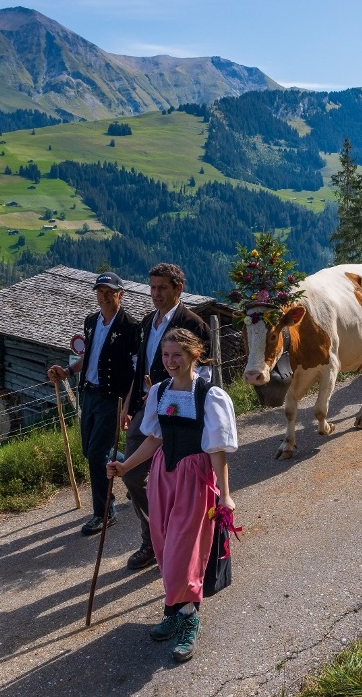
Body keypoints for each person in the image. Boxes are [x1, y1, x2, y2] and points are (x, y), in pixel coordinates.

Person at [107, 328, 237, 663]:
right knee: (164, 545)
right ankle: (175, 610)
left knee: (183, 550)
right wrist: (125, 466)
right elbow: (154, 439)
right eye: (166, 355)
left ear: (195, 354)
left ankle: (190, 617)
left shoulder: (209, 395)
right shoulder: (160, 391)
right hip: (163, 476)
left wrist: (225, 494)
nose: (170, 362)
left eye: (177, 355)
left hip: (194, 478)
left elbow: (217, 450)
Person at [120, 263, 212, 570]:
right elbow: (140, 368)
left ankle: (184, 540)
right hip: (148, 409)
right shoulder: (148, 322)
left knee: (181, 481)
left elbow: (205, 376)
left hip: (182, 414)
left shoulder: (193, 323)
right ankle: (152, 536)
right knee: (132, 475)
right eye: (153, 287)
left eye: (162, 288)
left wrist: (194, 417)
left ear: (178, 289)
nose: (155, 294)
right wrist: (130, 404)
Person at [47, 272, 140, 535]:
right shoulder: (91, 322)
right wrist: (67, 371)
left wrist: (128, 406)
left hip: (114, 397)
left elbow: (136, 368)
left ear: (121, 294)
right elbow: (90, 356)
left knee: (98, 453)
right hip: (89, 393)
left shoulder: (130, 327)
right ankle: (137, 469)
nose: (104, 296)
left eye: (109, 291)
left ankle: (104, 513)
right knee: (91, 451)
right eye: (100, 291)